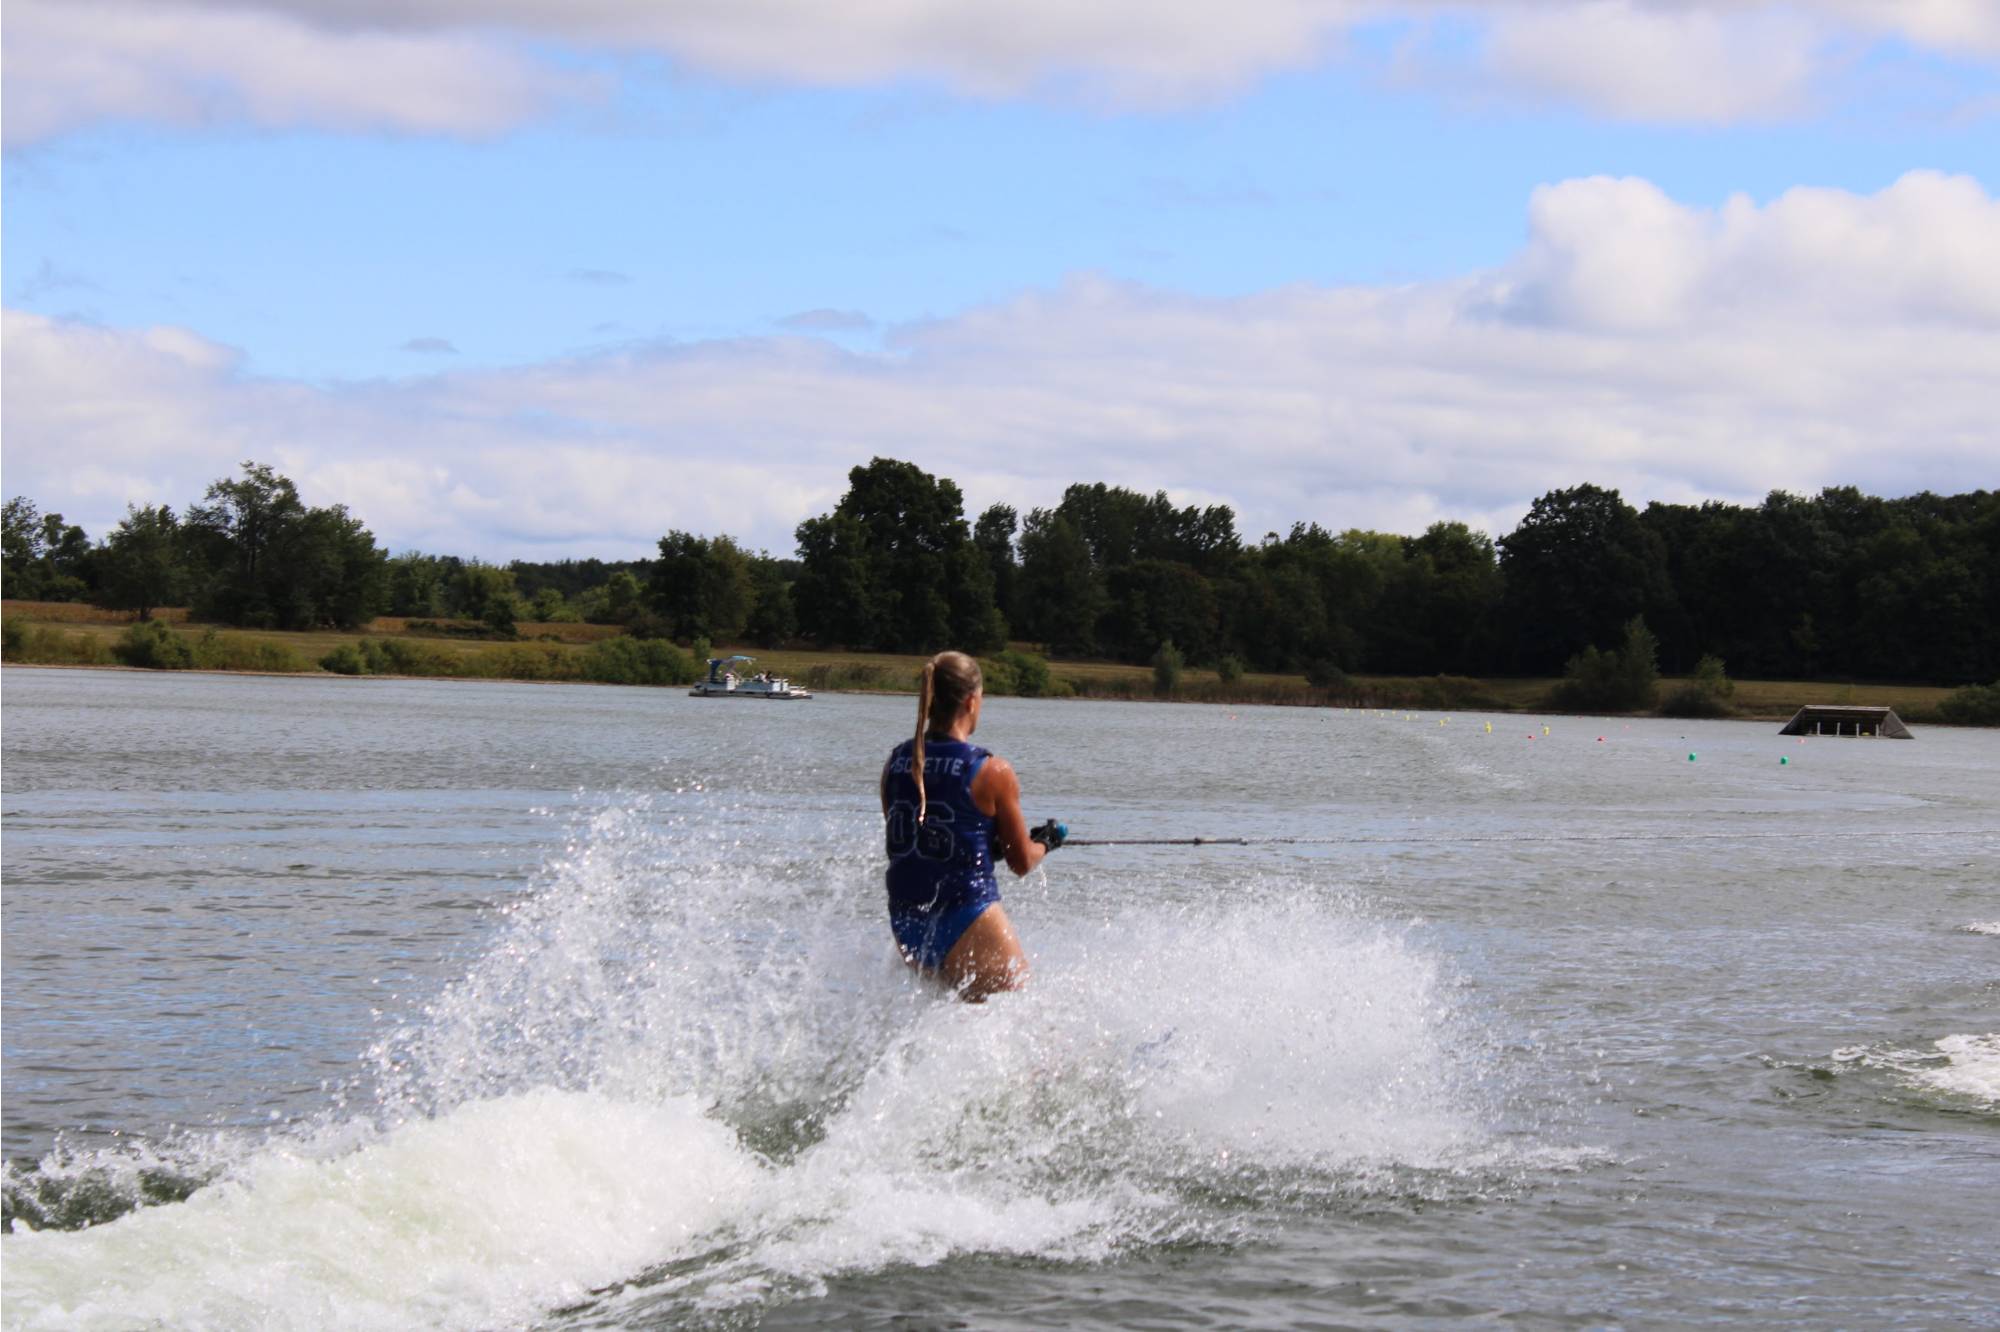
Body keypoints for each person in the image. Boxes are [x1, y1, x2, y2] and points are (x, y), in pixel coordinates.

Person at [880, 650, 1065, 1000]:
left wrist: (983, 844)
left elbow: (916, 840)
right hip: (967, 912)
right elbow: (1022, 861)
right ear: (970, 701)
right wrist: (1048, 841)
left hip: (908, 921)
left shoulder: (896, 763)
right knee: (1026, 1025)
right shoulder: (992, 771)